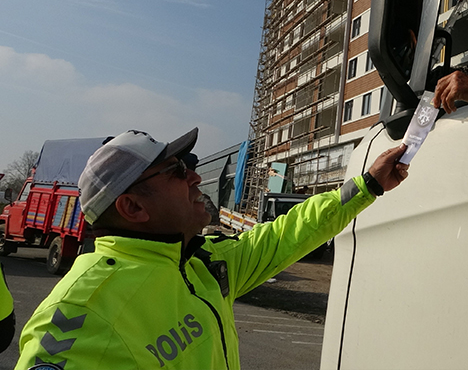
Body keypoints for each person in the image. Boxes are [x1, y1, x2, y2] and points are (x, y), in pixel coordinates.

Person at [16, 128, 408, 370]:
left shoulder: (205, 262)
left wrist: (368, 185)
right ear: (132, 208)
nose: (195, 176)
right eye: (175, 171)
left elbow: (289, 233)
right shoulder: (78, 315)